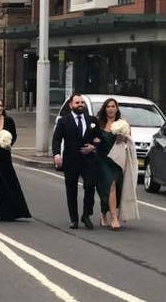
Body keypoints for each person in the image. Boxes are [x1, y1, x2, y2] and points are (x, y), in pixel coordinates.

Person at [52, 93, 103, 229]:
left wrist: (93, 146)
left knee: (90, 186)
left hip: (89, 160)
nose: (80, 105)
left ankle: (86, 215)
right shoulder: (64, 121)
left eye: (82, 103)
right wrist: (57, 154)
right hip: (71, 160)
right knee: (71, 190)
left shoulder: (92, 120)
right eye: (77, 103)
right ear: (71, 105)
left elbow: (99, 137)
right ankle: (73, 219)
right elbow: (56, 139)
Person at [95, 97, 140, 230]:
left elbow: (128, 140)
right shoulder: (99, 123)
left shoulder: (123, 123)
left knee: (114, 187)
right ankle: (114, 218)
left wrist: (123, 136)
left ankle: (104, 213)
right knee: (110, 185)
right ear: (105, 108)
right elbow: (93, 137)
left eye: (113, 106)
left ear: (117, 108)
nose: (110, 109)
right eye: (108, 106)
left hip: (116, 159)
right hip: (102, 159)